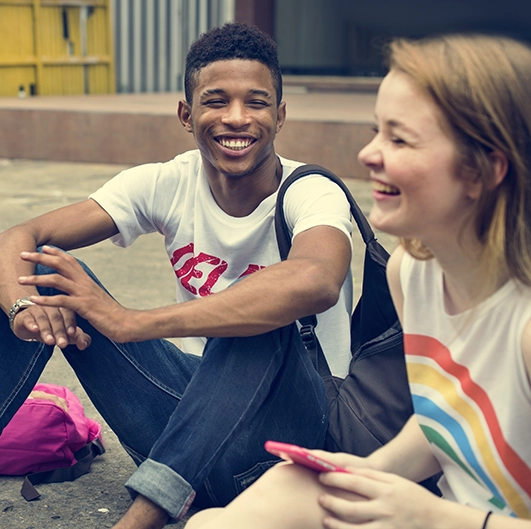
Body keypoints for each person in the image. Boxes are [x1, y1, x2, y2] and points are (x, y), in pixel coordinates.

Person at [0, 22, 354, 529]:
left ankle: (143, 516)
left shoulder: (311, 191)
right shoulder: (166, 182)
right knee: (44, 275)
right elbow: (20, 236)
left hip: (286, 446)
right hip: (181, 427)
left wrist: (131, 323)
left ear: (279, 115)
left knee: (261, 307)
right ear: (187, 115)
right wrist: (22, 309)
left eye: (255, 103)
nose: (237, 118)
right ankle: (170, 484)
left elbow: (316, 280)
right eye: (216, 101)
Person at [184, 33, 531, 529]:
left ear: (483, 170)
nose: (369, 154)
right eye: (376, 132)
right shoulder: (412, 274)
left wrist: (433, 518)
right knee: (233, 511)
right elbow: (443, 422)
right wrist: (367, 473)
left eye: (400, 139)